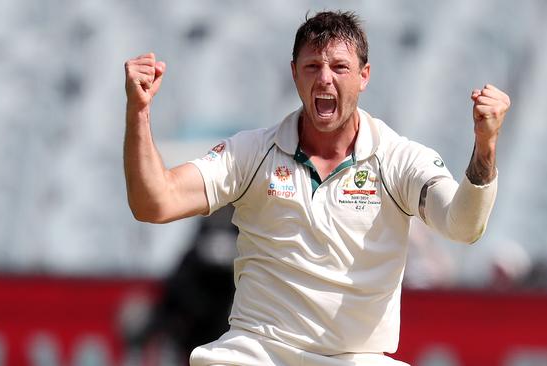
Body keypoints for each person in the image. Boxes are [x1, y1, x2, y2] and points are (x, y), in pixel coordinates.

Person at [123, 11, 510, 366]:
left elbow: (464, 226)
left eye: (340, 67)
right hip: (256, 354)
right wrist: (138, 112)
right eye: (313, 66)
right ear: (294, 74)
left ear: (365, 75)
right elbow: (155, 203)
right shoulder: (251, 153)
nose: (325, 78)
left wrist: (485, 145)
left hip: (354, 358)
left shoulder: (399, 160)